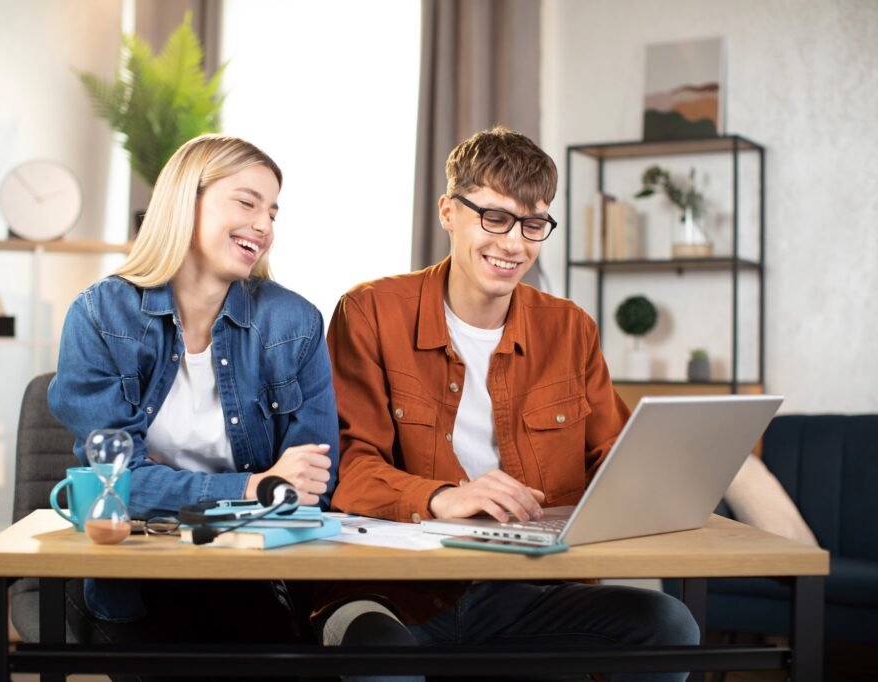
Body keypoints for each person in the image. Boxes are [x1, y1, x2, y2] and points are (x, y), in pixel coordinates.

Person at [321, 127, 700, 681]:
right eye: (494, 217)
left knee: (669, 625)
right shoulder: (371, 312)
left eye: (533, 223)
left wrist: (663, 482)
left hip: (525, 590)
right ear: (449, 211)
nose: (514, 243)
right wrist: (442, 496)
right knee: (379, 654)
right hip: (396, 590)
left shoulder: (569, 327)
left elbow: (614, 458)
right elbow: (347, 467)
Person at [47, 134, 338, 669]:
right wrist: (252, 486)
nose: (264, 225)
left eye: (273, 211)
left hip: (247, 573)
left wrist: (161, 483)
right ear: (187, 199)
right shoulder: (99, 316)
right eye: (247, 202)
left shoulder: (294, 324)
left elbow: (312, 486)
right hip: (134, 572)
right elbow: (113, 488)